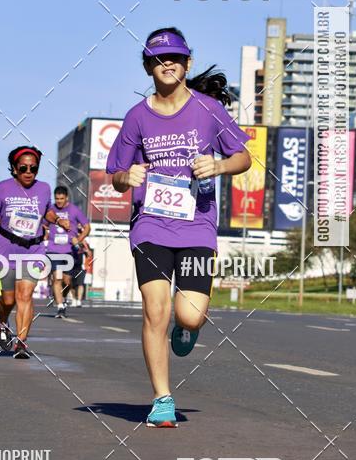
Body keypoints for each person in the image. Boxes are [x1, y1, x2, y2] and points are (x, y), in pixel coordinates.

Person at [106, 28, 251, 427]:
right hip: (150, 225)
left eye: (173, 57)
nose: (166, 64)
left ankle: (188, 331)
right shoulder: (137, 116)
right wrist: (127, 178)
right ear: (147, 66)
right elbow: (115, 173)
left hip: (197, 225)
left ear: (187, 63)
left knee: (189, 316)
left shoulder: (208, 110)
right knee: (156, 309)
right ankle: (162, 398)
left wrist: (219, 165)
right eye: (157, 58)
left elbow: (243, 157)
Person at [0, 146, 57, 359]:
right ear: (14, 169)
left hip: (33, 248)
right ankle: (2, 321)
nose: (28, 172)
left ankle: (21, 343)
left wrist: (58, 219)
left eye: (33, 168)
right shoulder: (3, 188)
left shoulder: (44, 189)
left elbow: (47, 211)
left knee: (25, 295)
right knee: (8, 299)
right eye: (23, 168)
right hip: (5, 247)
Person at [45, 185, 90, 317]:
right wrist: (44, 234)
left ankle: (62, 299)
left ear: (67, 198)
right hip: (53, 250)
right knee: (57, 278)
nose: (59, 201)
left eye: (61, 198)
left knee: (67, 281)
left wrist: (79, 239)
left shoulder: (75, 210)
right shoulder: (51, 210)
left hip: (70, 251)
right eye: (57, 198)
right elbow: (43, 225)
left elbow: (87, 227)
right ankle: (60, 307)